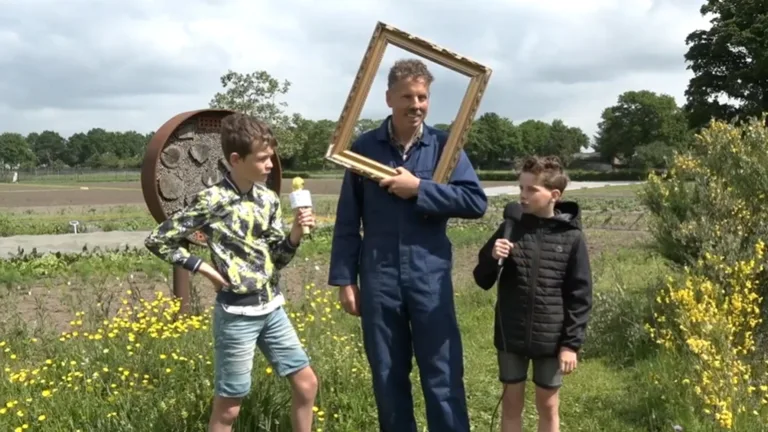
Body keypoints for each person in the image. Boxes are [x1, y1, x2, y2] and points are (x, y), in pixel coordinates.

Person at [328, 58, 488, 432]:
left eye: (422, 96)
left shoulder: (445, 147)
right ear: (388, 98)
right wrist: (345, 280)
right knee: (387, 373)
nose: (416, 104)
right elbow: (348, 221)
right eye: (407, 96)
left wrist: (420, 189)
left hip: (429, 274)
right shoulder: (364, 148)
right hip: (379, 276)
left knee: (443, 370)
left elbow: (475, 202)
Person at [144, 113, 318, 432]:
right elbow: (158, 240)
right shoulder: (212, 200)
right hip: (237, 316)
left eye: (271, 157)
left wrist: (294, 233)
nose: (270, 165)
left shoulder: (268, 199)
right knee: (230, 408)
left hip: (272, 308)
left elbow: (276, 259)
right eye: (263, 159)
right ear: (236, 159)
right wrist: (205, 269)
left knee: (307, 384)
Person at [472, 156, 593, 432]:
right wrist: (492, 257)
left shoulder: (572, 237)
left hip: (551, 339)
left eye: (531, 190)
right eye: (521, 189)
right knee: (511, 405)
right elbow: (482, 279)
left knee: (548, 406)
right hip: (510, 334)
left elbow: (580, 295)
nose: (523, 197)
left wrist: (570, 344)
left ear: (554, 195)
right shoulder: (509, 228)